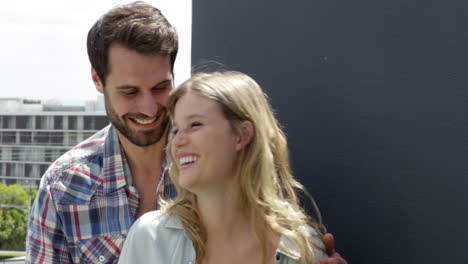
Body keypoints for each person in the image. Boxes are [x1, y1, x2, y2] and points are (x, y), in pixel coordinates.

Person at [26, 2, 346, 264]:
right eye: (130, 92)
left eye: (161, 87)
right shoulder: (65, 186)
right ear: (98, 79)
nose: (151, 108)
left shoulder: (218, 161)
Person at [118, 71, 334, 264]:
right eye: (175, 130)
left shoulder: (302, 247)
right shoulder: (150, 238)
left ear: (242, 135)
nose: (178, 141)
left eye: (195, 125)